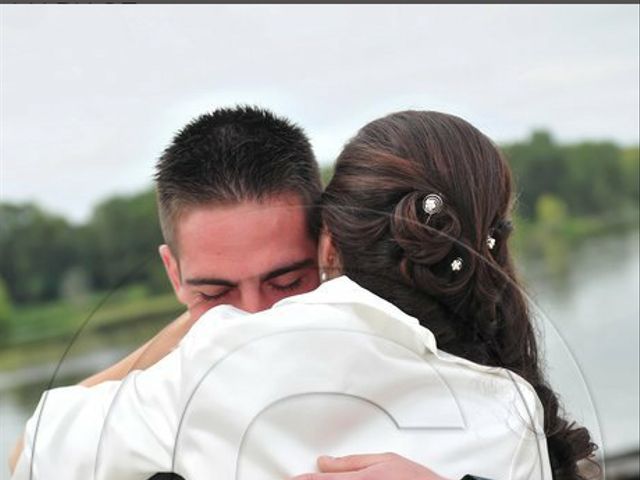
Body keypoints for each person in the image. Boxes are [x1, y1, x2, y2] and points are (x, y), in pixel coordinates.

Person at [10, 110, 597, 479]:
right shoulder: (510, 404)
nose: (254, 317)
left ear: (327, 246)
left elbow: (28, 454)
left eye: (286, 282)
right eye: (215, 293)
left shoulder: (183, 385)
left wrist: (195, 334)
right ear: (173, 274)